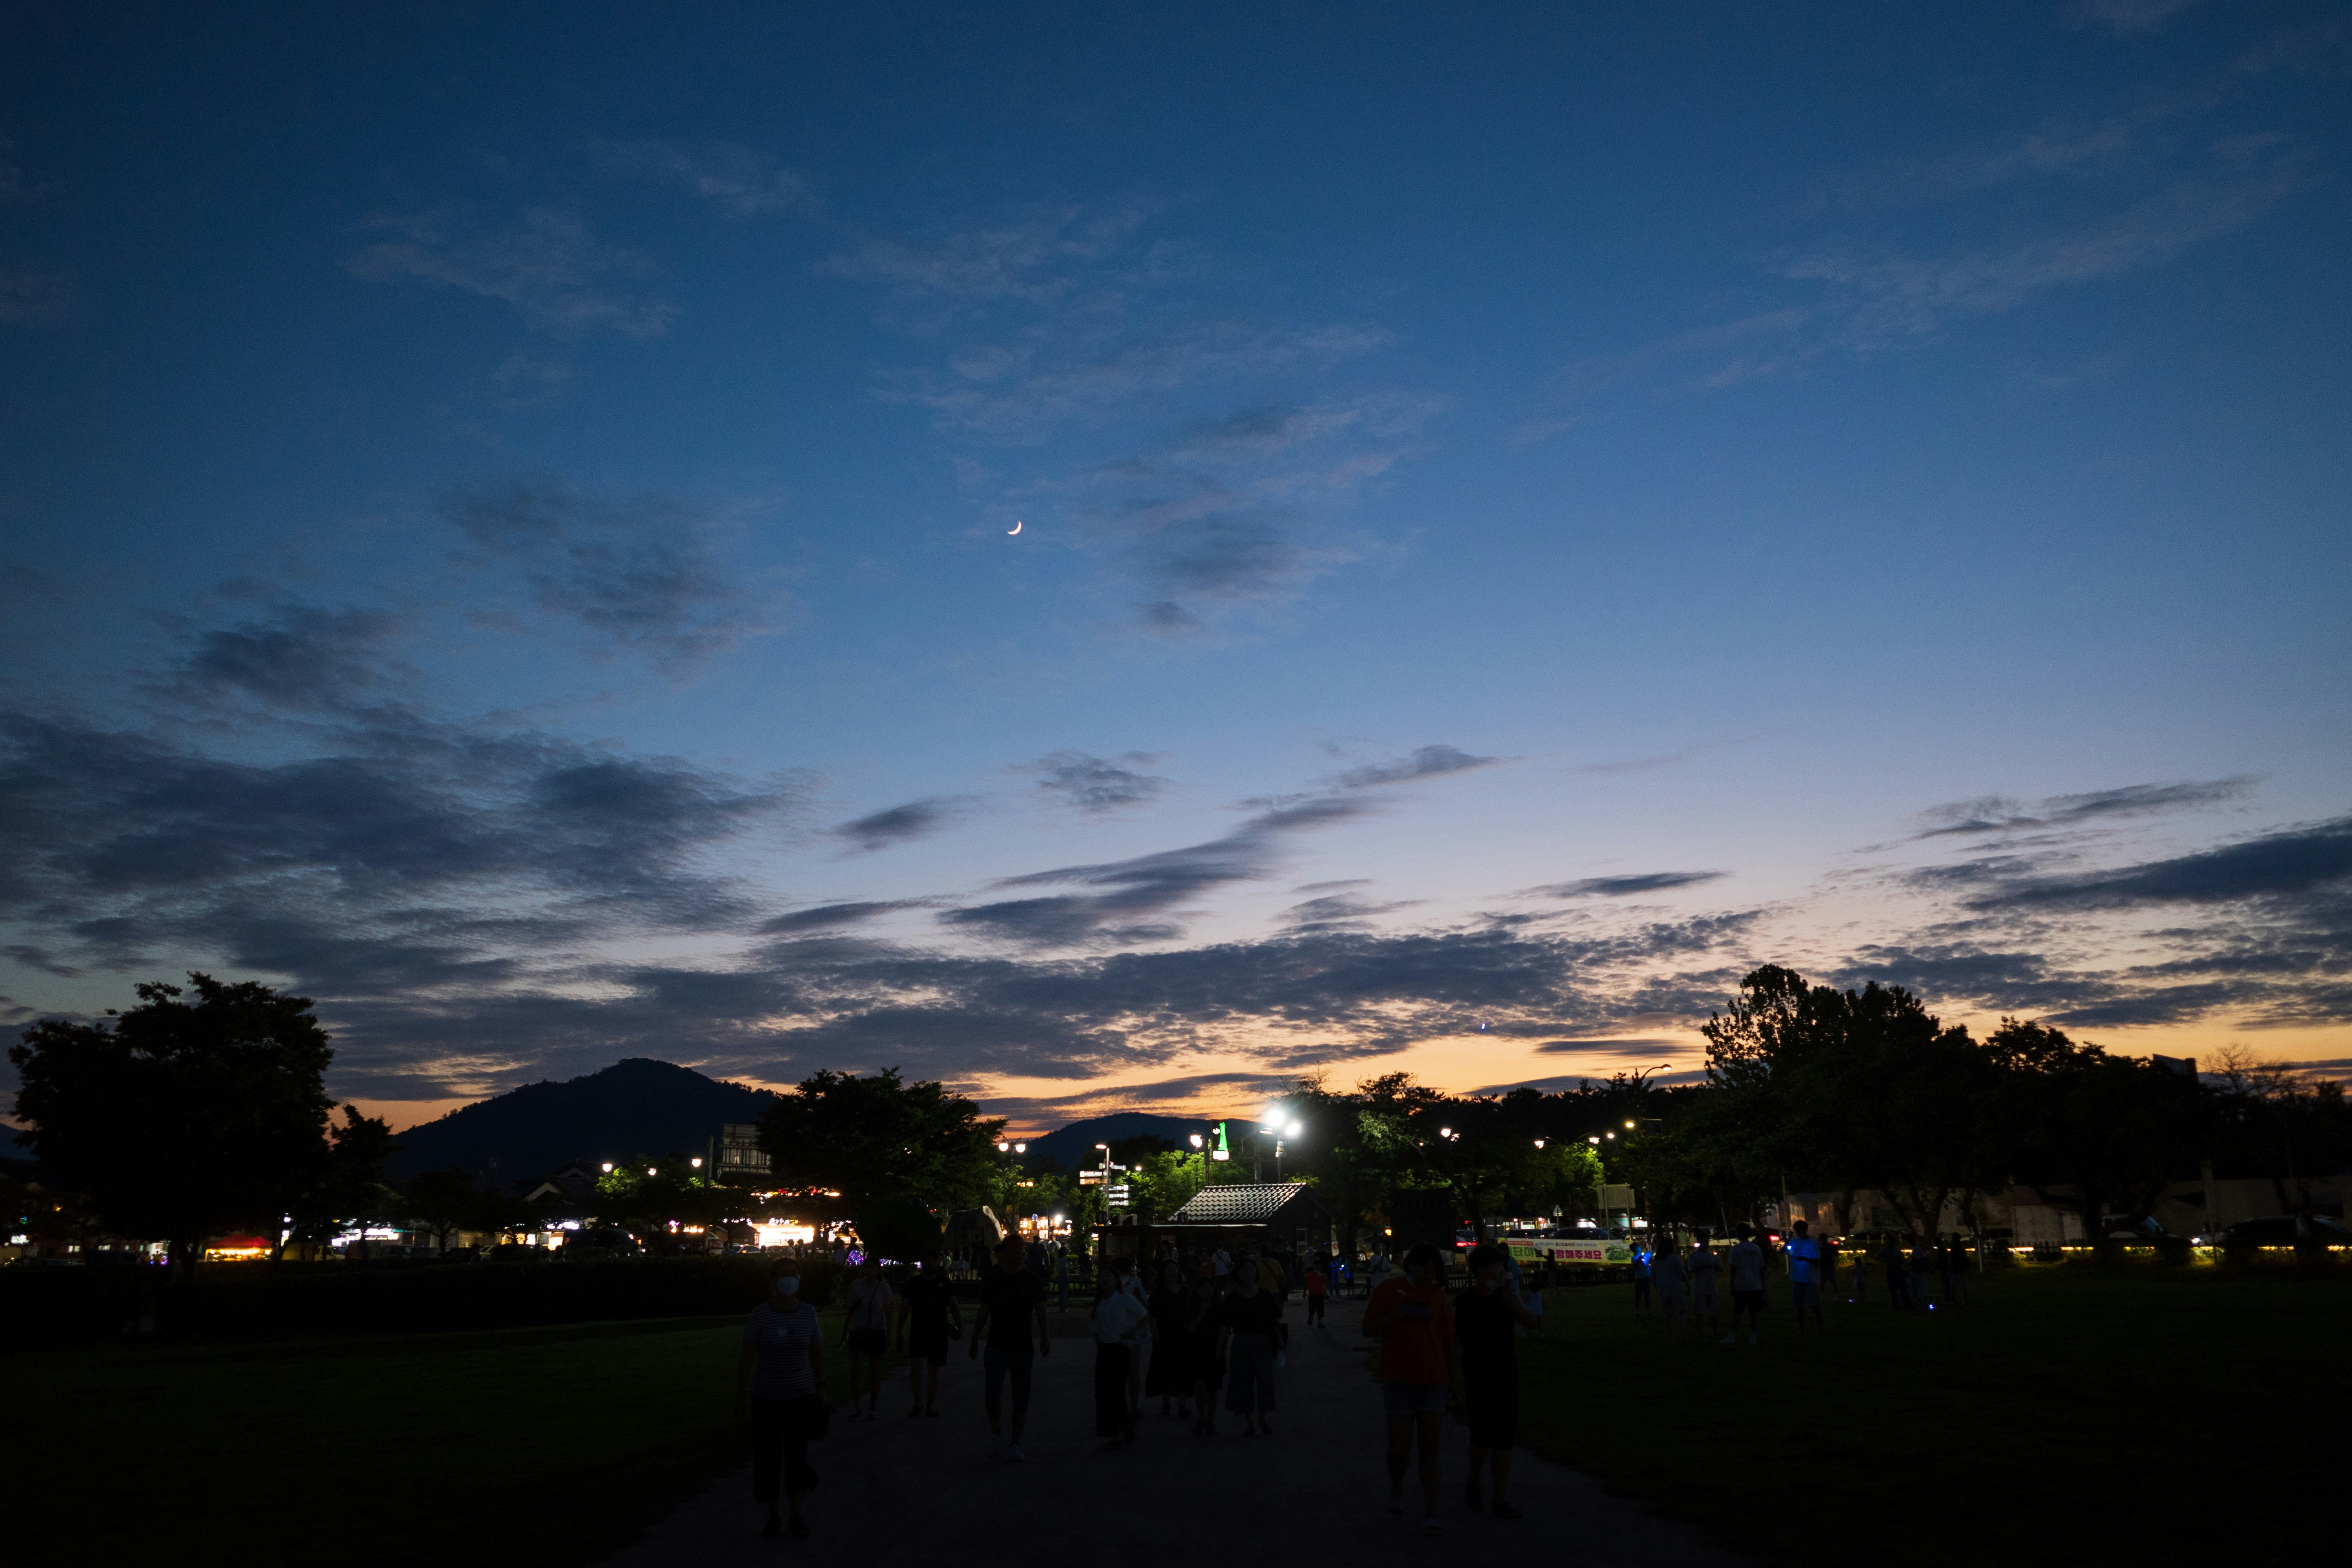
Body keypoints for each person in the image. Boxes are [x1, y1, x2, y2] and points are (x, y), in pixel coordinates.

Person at [1364, 1240, 1458, 1535]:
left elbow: (1447, 1338)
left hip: (1433, 1380)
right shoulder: (1388, 1291)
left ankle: (1431, 1511)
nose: (1430, 1277)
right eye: (1426, 1270)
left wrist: (1452, 1380)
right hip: (1399, 1379)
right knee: (1400, 1449)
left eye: (1435, 1272)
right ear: (1413, 1265)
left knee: (1430, 1449)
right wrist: (1392, 1317)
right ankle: (1397, 1482)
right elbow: (1368, 1329)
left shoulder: (1438, 1295)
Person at [736, 1258, 824, 1541]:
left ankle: (796, 1515)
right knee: (767, 1458)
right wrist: (741, 1393)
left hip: (800, 1396)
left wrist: (821, 1387)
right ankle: (774, 1515)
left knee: (797, 1457)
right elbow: (748, 1357)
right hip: (767, 1397)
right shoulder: (760, 1315)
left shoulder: (808, 1313)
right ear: (773, 1282)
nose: (790, 1280)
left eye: (794, 1275)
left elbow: (817, 1352)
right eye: (784, 1275)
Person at [1454, 1243, 1539, 1519]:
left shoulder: (1506, 1299)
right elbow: (1456, 1342)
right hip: (1478, 1376)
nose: (1503, 1272)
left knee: (1504, 1438)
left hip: (1506, 1374)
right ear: (1482, 1271)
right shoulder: (1465, 1303)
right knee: (1482, 1437)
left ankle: (1500, 1499)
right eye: (1498, 1268)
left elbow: (1531, 1323)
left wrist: (1511, 1298)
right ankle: (1475, 1480)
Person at [967, 1235, 1052, 1460]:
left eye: (1021, 1248)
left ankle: (1016, 1442)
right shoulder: (994, 1280)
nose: (1019, 1252)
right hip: (997, 1345)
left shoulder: (1031, 1280)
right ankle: (996, 1431)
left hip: (1023, 1346)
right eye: (1014, 1248)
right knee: (992, 1395)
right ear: (1004, 1253)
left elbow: (1041, 1311)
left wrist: (1045, 1336)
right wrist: (975, 1338)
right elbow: (983, 1312)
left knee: (1021, 1397)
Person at [1093, 1257, 1150, 1449]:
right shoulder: (1101, 1302)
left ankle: (1120, 1428)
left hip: (1120, 1347)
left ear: (1117, 1279)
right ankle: (1116, 1431)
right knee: (1104, 1393)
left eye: (1108, 1276)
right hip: (1105, 1348)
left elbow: (1145, 1315)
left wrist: (1132, 1333)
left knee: (1115, 1391)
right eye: (1102, 1277)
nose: (1104, 1279)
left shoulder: (1126, 1299)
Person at [895, 1254, 962, 1417]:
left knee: (934, 1369)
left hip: (938, 1332)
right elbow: (904, 1309)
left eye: (933, 1260)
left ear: (939, 1262)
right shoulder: (913, 1284)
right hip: (918, 1331)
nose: (930, 1264)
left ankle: (930, 1404)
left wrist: (960, 1326)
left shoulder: (946, 1283)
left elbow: (954, 1306)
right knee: (916, 1365)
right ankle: (917, 1402)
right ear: (922, 1262)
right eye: (927, 1260)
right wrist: (899, 1331)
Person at [1223, 1253, 1282, 1436]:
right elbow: (1225, 1325)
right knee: (1242, 1384)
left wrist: (1280, 1341)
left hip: (1263, 1341)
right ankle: (1250, 1422)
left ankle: (1263, 1418)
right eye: (1245, 1270)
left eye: (1252, 1269)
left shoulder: (1264, 1294)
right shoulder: (1233, 1298)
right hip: (1241, 1342)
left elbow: (1274, 1321)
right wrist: (1220, 1346)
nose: (1249, 1273)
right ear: (1238, 1274)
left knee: (1266, 1382)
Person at [842, 1257, 894, 1417]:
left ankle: (872, 1407)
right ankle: (857, 1407)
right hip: (858, 1331)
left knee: (875, 1372)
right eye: (866, 1267)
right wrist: (845, 1331)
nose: (868, 1270)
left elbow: (889, 1314)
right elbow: (851, 1309)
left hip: (876, 1332)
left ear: (878, 1270)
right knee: (856, 1370)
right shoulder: (856, 1286)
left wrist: (889, 1334)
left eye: (872, 1267)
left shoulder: (884, 1289)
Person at [1145, 1259, 1194, 1418]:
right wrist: (1154, 1328)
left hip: (1183, 1334)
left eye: (1175, 1270)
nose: (1172, 1273)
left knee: (1183, 1370)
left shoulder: (1186, 1290)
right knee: (1163, 1370)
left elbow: (1193, 1311)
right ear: (1163, 1273)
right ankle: (1166, 1404)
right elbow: (1153, 1313)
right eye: (1169, 1270)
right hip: (1164, 1334)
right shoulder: (1158, 1292)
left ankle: (1182, 1406)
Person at [1184, 1274, 1227, 1434]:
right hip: (1198, 1350)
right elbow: (1190, 1329)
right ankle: (1202, 1418)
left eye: (1211, 1287)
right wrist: (1202, 1314)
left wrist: (1221, 1347)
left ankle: (1210, 1420)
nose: (1208, 1290)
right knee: (1200, 1385)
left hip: (1215, 1350)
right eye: (1204, 1288)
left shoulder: (1219, 1307)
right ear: (1198, 1291)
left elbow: (1225, 1328)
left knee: (1213, 1388)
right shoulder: (1193, 1307)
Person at [1721, 1225, 1765, 1345]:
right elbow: (1762, 1269)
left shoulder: (1737, 1249)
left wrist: (1732, 1285)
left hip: (1741, 1285)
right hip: (1755, 1285)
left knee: (1737, 1312)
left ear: (1739, 1234)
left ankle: (1732, 1336)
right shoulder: (1757, 1249)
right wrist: (1763, 1287)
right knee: (1754, 1312)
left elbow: (1733, 1269)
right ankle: (1753, 1337)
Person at [1785, 1220, 1824, 1334]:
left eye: (1801, 1231)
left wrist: (1805, 1259)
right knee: (1799, 1306)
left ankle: (1821, 1329)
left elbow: (1817, 1261)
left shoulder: (1813, 1243)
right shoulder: (1794, 1242)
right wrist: (1786, 1243)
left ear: (1806, 1230)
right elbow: (1784, 1252)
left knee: (1816, 1306)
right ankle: (1802, 1330)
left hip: (1810, 1279)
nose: (1800, 1233)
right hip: (1797, 1278)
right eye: (1798, 1231)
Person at [1651, 1232, 1688, 1337]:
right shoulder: (1674, 1258)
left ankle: (1670, 1334)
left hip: (1662, 1288)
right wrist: (1688, 1286)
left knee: (1668, 1314)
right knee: (1681, 1311)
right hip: (1675, 1287)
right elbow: (1682, 1273)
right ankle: (1680, 1334)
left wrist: (1657, 1290)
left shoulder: (1657, 1260)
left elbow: (1653, 1278)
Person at [1686, 1230, 1721, 1340]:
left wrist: (1715, 1265)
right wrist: (1703, 1265)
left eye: (1708, 1242)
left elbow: (1721, 1269)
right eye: (1704, 1242)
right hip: (1700, 1288)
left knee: (1714, 1313)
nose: (1707, 1244)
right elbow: (1692, 1269)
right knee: (1699, 1313)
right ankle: (1701, 1333)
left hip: (1711, 1288)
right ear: (1699, 1243)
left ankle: (1716, 1332)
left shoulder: (1713, 1256)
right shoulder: (1693, 1256)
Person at [1302, 1258, 1329, 1328]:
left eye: (1319, 1266)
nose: (1318, 1267)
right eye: (1316, 1265)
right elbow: (1306, 1284)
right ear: (1314, 1266)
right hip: (1313, 1294)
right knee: (1312, 1309)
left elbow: (1327, 1282)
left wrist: (1323, 1276)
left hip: (1320, 1294)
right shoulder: (1310, 1274)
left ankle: (1319, 1323)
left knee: (1320, 1309)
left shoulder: (1322, 1274)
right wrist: (1304, 1292)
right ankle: (1311, 1317)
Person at [1630, 1243, 1652, 1311]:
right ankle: (1637, 1311)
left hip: (1647, 1277)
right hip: (1639, 1278)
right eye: (1637, 1246)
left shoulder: (1646, 1255)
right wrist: (1639, 1260)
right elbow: (1635, 1268)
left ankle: (1648, 1311)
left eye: (1639, 1246)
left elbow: (1654, 1251)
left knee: (1647, 1295)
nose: (1639, 1247)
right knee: (1638, 1295)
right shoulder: (1634, 1258)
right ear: (1634, 1250)